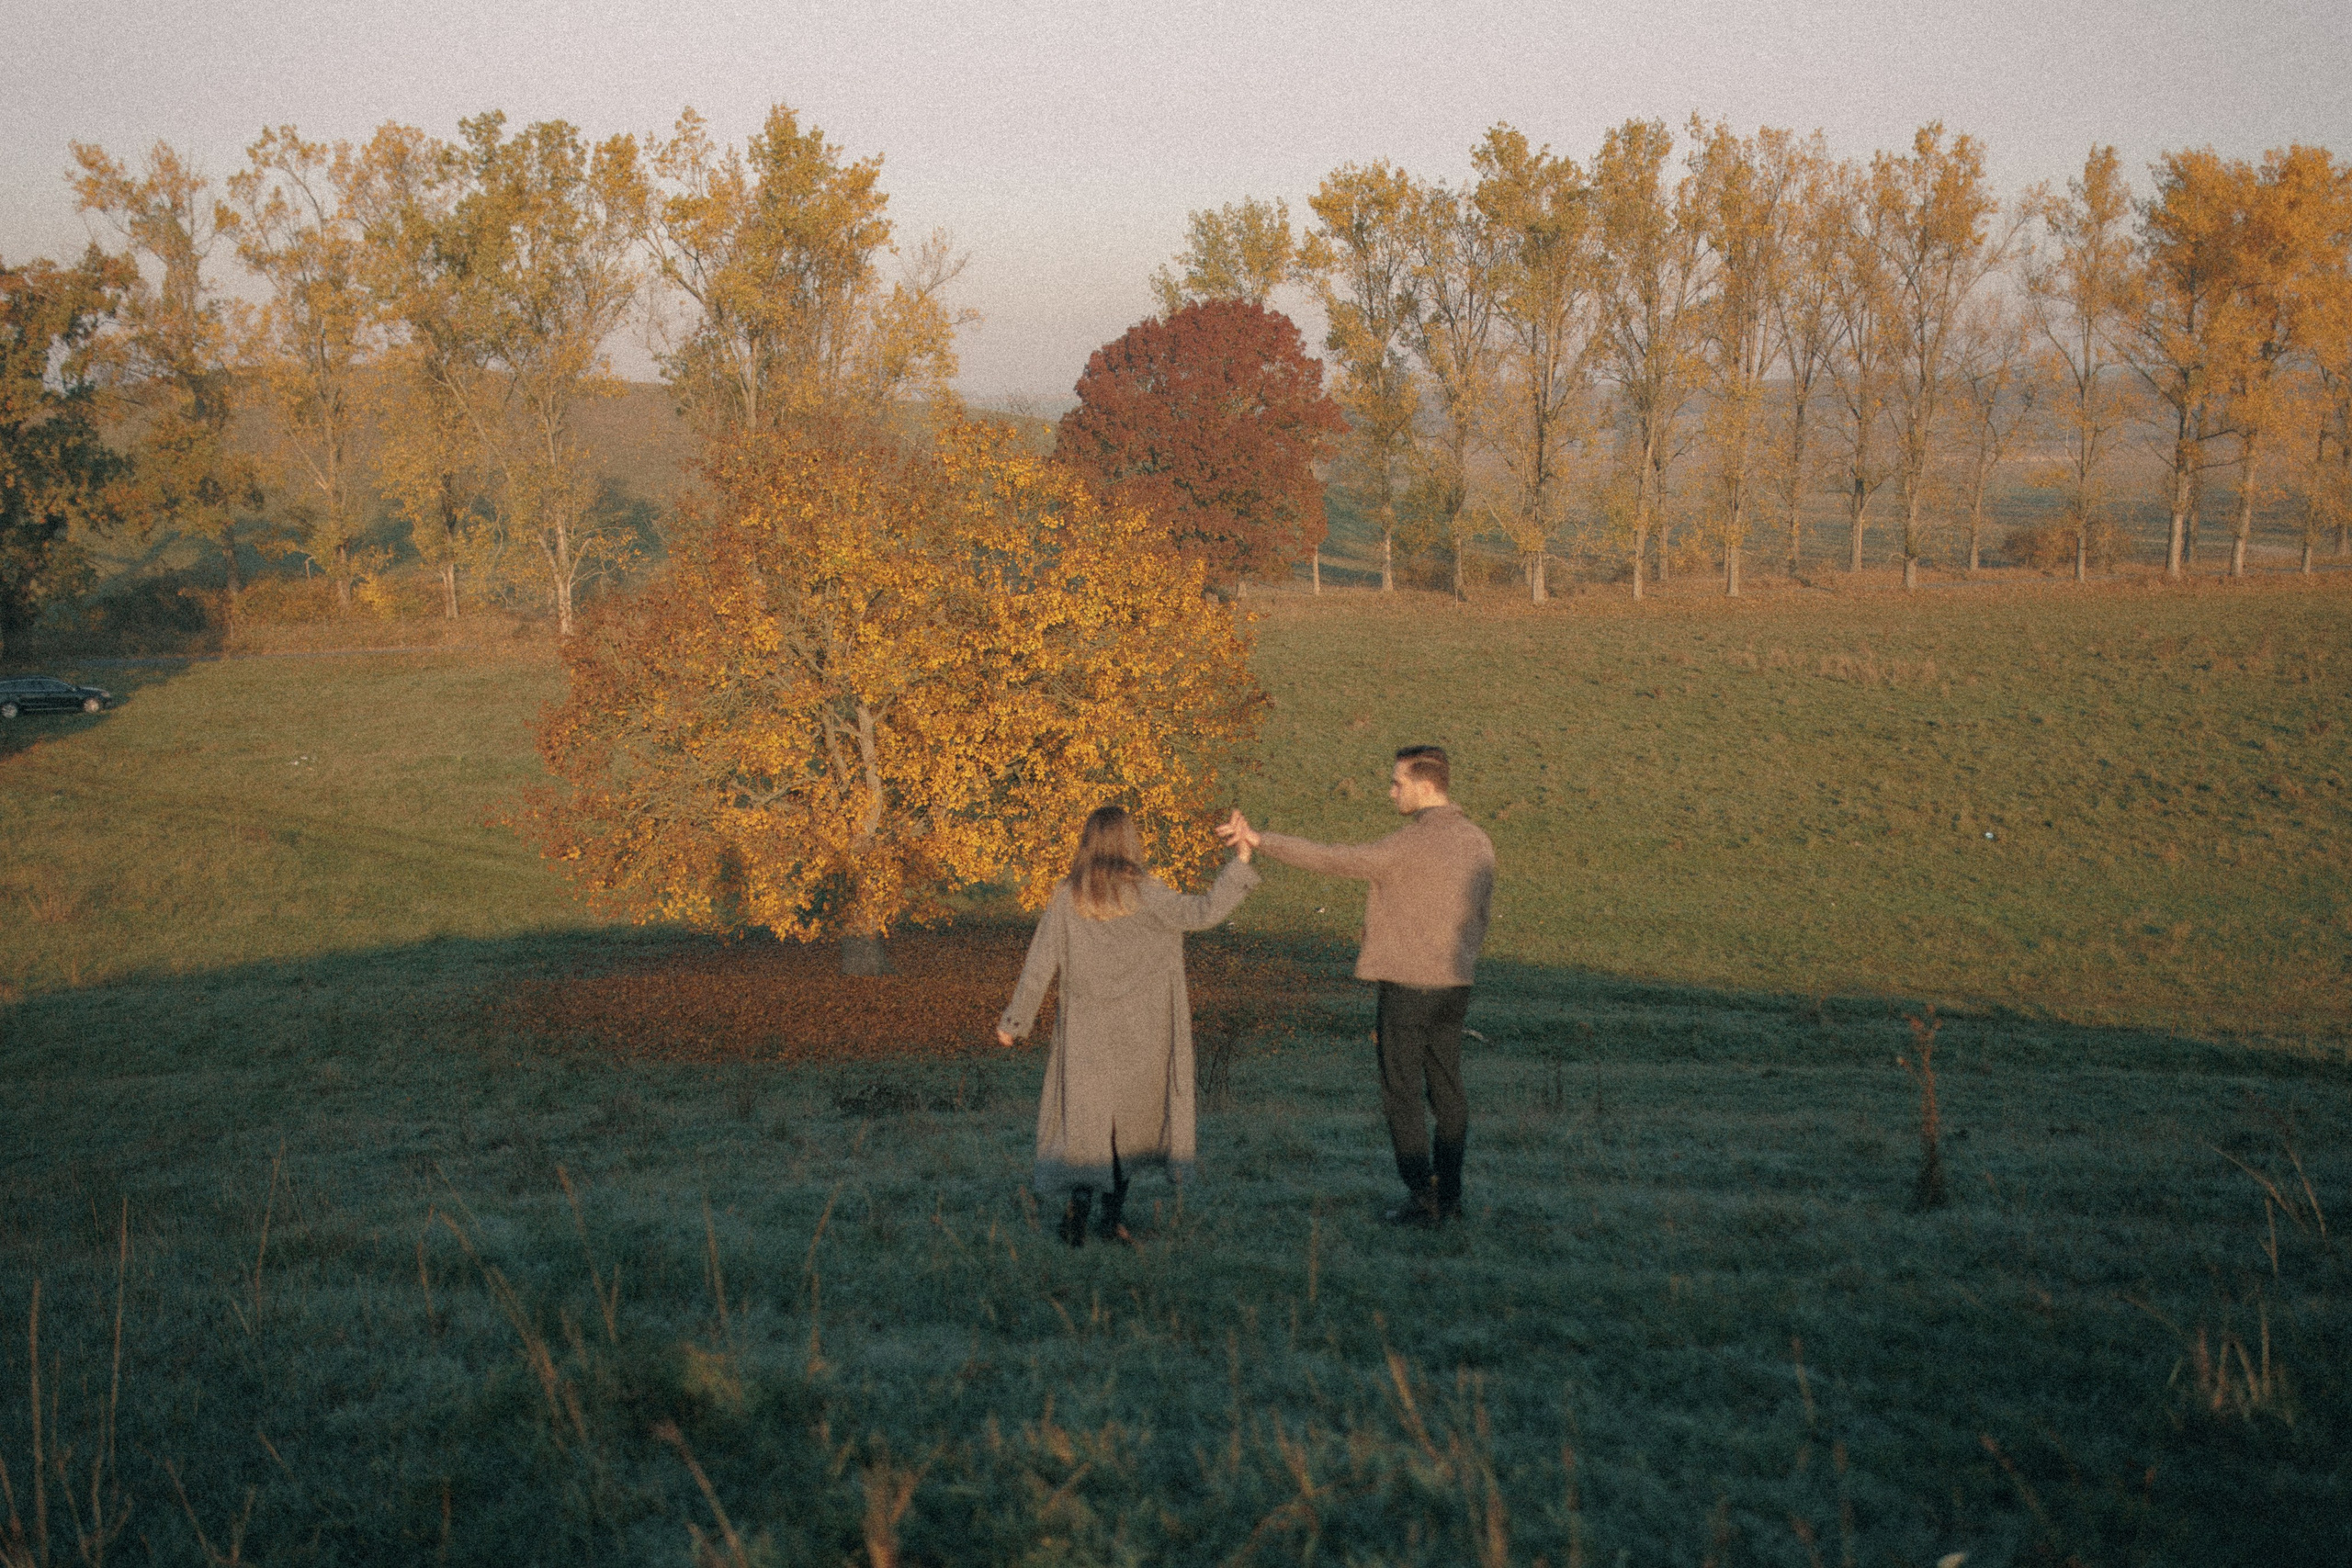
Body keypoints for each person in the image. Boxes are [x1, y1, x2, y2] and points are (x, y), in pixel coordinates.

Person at [1219, 746, 1494, 1227]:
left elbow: (1335, 859)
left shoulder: (1409, 844)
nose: (1390, 792)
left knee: (1402, 1092)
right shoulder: (1479, 842)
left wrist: (1260, 840)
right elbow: (1482, 913)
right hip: (1456, 984)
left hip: (1409, 986)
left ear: (1425, 786)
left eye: (1397, 783)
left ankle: (1421, 1197)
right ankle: (1447, 1194)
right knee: (1449, 1090)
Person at [997, 805, 1259, 1247]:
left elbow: (1039, 964)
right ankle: (1110, 1218)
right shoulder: (1148, 892)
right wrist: (1242, 862)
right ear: (1129, 842)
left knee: (1087, 1125)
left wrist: (1014, 1022)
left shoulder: (1067, 896)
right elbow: (1203, 913)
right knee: (1131, 1130)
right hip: (1145, 1032)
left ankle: (1077, 1219)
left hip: (1086, 1033)